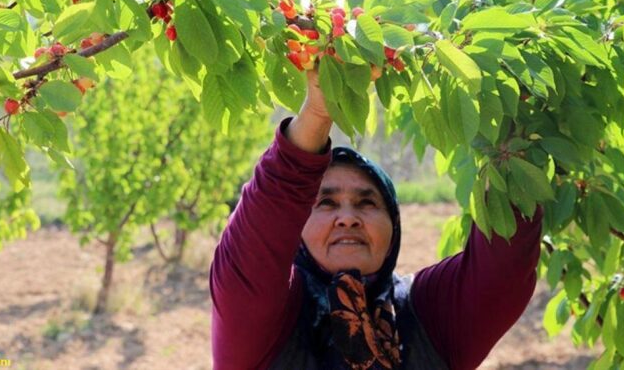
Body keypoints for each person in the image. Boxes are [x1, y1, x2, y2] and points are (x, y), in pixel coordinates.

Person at [210, 68, 543, 369]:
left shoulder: (425, 314)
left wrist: (511, 120)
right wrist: (316, 113)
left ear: (393, 227)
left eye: (367, 203)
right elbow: (253, 244)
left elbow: (504, 266)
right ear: (296, 227)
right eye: (325, 203)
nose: (347, 218)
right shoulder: (272, 318)